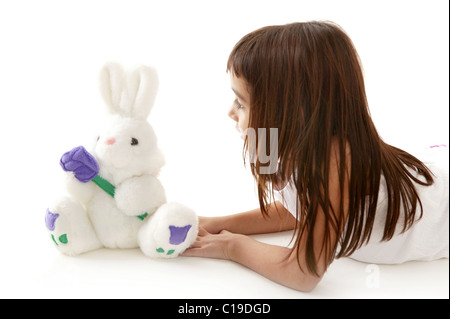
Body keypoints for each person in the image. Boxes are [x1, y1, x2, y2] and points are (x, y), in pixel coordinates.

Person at [182, 21, 449, 292]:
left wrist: (231, 246)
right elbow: (300, 208)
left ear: (288, 111)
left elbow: (302, 271)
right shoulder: (290, 147)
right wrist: (220, 224)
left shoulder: (336, 159)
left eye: (241, 102)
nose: (231, 112)